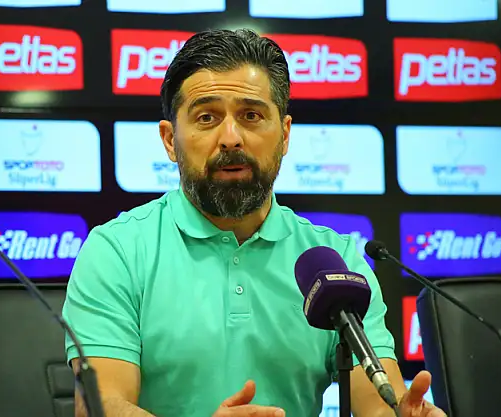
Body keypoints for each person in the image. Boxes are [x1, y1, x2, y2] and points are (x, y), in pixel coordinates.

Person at [61, 28, 446, 417]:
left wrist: (402, 414)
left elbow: (377, 404)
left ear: (285, 135)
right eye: (207, 117)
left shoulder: (335, 261)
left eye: (251, 116)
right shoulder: (118, 252)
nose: (231, 138)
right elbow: (100, 405)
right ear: (169, 140)